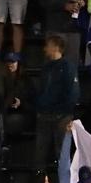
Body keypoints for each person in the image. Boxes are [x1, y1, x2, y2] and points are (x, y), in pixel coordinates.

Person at [33, 34, 78, 171]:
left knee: (62, 154)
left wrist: (64, 112)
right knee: (39, 156)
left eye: (48, 45)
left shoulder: (68, 67)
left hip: (61, 118)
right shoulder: (46, 68)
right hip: (44, 116)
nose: (45, 48)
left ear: (56, 47)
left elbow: (73, 94)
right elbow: (42, 90)